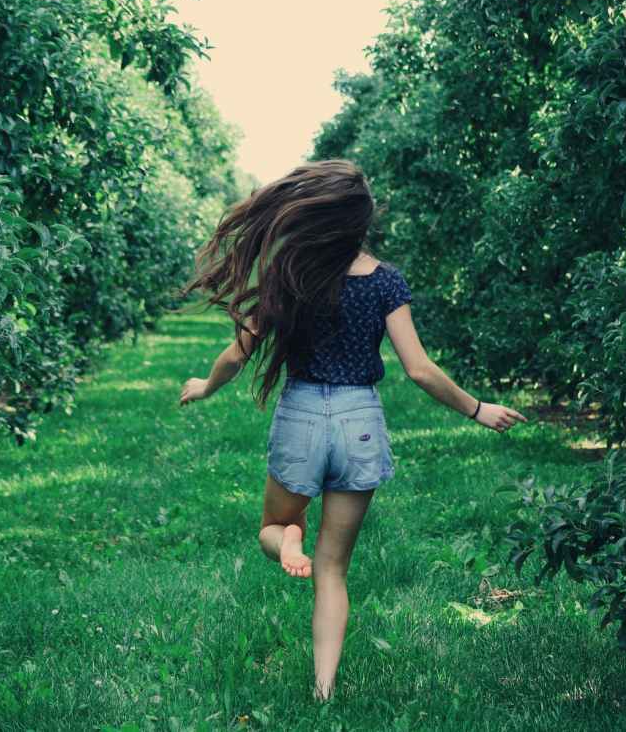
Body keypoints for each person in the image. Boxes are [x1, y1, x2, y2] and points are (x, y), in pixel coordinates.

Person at [175, 159, 527, 702]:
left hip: (301, 415)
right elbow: (419, 369)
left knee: (273, 526)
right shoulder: (385, 281)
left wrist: (205, 387)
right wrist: (477, 409)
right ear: (359, 221)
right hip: (359, 420)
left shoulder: (289, 272)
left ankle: (288, 540)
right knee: (333, 568)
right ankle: (324, 690)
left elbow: (237, 354)